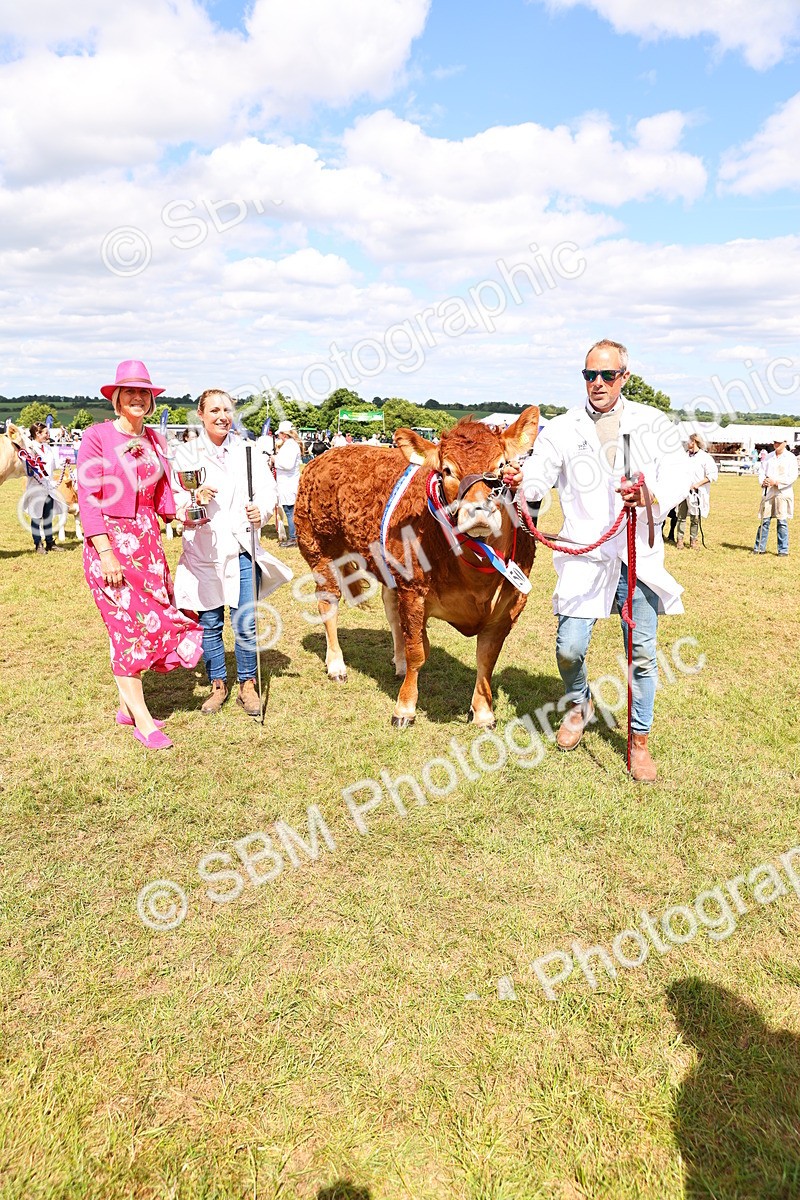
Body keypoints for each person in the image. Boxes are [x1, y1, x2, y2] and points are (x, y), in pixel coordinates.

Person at [512, 339, 692, 782]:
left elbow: (678, 474)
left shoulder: (650, 422)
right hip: (586, 554)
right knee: (569, 648)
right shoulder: (563, 427)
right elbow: (540, 473)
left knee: (642, 654)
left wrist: (650, 495)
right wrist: (528, 486)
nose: (597, 383)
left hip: (637, 554)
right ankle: (580, 703)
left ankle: (639, 741)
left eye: (607, 375)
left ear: (624, 377)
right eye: (589, 375)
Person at [76, 360, 204, 750]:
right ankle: (143, 721)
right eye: (128, 391)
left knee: (150, 622)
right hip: (111, 544)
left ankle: (125, 706)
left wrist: (188, 511)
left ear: (150, 401)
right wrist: (107, 553)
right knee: (125, 630)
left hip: (148, 544)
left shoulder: (156, 441)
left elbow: (166, 494)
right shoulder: (97, 437)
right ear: (116, 399)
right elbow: (88, 495)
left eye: (143, 392)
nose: (137, 397)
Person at [172, 390, 293, 716]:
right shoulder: (185, 454)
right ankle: (218, 684)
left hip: (241, 546)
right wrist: (194, 497)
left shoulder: (248, 451)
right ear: (200, 414)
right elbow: (174, 502)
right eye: (214, 410)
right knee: (210, 622)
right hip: (205, 549)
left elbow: (269, 491)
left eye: (227, 409)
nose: (222, 415)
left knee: (244, 621)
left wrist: (262, 511)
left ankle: (247, 685)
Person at [753, 435, 798, 556]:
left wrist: (777, 482)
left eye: (779, 443)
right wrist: (764, 481)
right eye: (775, 442)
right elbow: (762, 471)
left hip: (782, 492)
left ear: (785, 442)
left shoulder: (791, 458)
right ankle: (759, 548)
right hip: (768, 491)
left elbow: (792, 476)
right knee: (764, 520)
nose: (776, 445)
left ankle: (783, 550)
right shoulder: (769, 456)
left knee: (782, 521)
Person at [22, 422, 63, 554]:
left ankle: (50, 542)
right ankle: (38, 543)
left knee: (48, 516)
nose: (48, 435)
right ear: (37, 433)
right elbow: (27, 469)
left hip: (48, 487)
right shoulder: (29, 449)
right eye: (45, 433)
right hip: (36, 487)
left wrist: (64, 462)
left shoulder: (48, 448)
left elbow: (54, 465)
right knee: (36, 517)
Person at [676, 433, 718, 549]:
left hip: (697, 493)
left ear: (694, 442)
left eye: (689, 441)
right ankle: (679, 539)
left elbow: (712, 476)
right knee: (681, 516)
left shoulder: (705, 458)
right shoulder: (684, 456)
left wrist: (697, 485)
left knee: (695, 518)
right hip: (684, 491)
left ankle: (693, 540)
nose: (687, 443)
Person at [273, 420, 302, 547]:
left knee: (290, 511)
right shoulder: (291, 445)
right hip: (288, 483)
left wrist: (275, 460)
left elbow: (288, 465)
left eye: (280, 434)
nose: (279, 436)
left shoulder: (290, 446)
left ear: (284, 434)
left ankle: (294, 537)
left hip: (288, 484)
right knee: (290, 510)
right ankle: (295, 536)